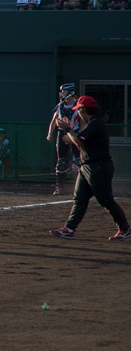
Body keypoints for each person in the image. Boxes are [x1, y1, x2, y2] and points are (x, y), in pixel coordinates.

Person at [49, 96, 130, 242]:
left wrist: (67, 129)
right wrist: (69, 134)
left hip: (98, 166)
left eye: (79, 110)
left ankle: (125, 228)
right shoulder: (91, 124)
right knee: (80, 199)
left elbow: (79, 141)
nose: (78, 113)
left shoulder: (96, 123)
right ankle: (69, 229)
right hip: (87, 166)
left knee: (105, 200)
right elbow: (77, 139)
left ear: (83, 110)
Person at [47, 83, 79, 196]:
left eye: (64, 92)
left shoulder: (77, 106)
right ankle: (60, 187)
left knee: (79, 161)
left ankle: (82, 188)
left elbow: (83, 122)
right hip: (61, 134)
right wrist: (50, 133)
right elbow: (53, 121)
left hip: (74, 133)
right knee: (61, 162)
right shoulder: (60, 106)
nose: (62, 94)